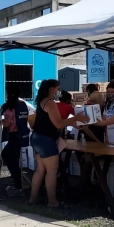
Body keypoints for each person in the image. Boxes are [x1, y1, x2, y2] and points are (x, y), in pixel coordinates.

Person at [29, 79, 88, 208]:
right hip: (46, 139)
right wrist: (76, 118)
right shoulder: (50, 103)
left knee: (40, 170)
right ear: (52, 89)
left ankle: (33, 198)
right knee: (52, 171)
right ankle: (52, 201)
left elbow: (53, 121)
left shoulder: (42, 101)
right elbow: (59, 123)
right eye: (58, 89)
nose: (59, 92)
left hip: (37, 138)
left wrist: (71, 122)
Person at [1, 84, 30, 197]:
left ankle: (18, 185)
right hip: (22, 134)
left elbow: (7, 123)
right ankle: (16, 179)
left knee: (11, 160)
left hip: (13, 135)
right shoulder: (23, 105)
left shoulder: (9, 107)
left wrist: (1, 123)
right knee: (12, 159)